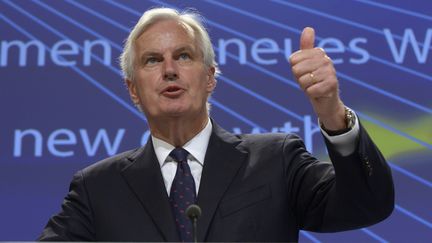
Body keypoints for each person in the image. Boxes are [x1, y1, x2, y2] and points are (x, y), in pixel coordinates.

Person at [38, 7, 394, 242]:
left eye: (183, 55)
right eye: (151, 60)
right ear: (133, 89)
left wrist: (332, 111)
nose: (169, 69)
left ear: (210, 77)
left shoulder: (275, 160)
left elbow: (368, 204)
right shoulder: (98, 188)